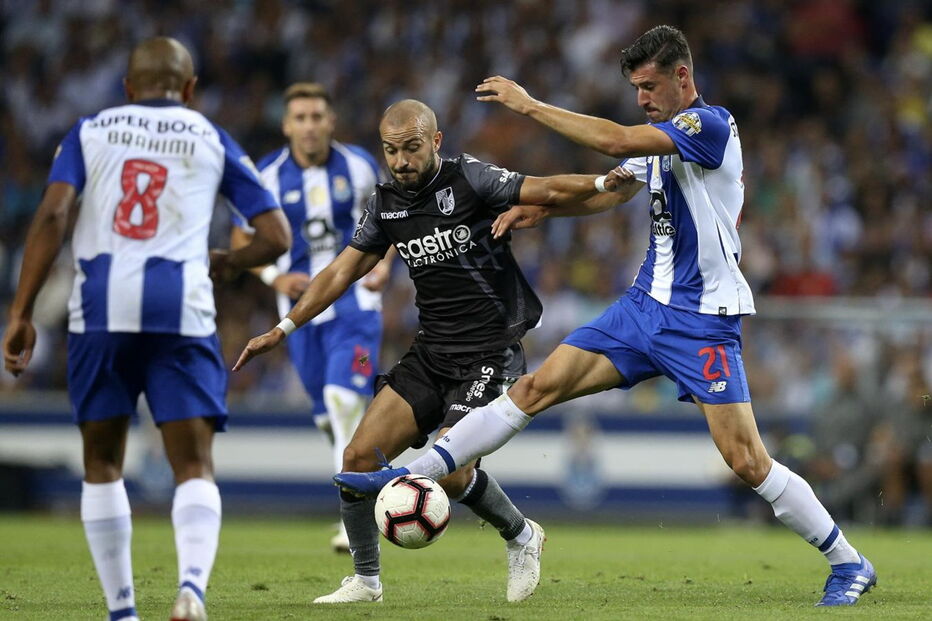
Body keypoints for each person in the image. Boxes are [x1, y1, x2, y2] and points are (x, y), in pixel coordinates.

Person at [334, 25, 877, 607]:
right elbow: (610, 190)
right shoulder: (664, 140)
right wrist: (537, 209)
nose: (642, 99)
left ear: (682, 77)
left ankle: (848, 562)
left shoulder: (709, 125)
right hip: (642, 308)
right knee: (537, 385)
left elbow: (617, 144)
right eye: (636, 89)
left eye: (649, 86)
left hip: (701, 320)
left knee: (746, 461)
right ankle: (410, 474)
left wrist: (531, 105)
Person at [233, 99, 634, 604]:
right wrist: (284, 327)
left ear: (436, 142)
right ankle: (366, 580)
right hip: (431, 354)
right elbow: (339, 271)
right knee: (357, 458)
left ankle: (522, 536)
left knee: (453, 466)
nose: (400, 161)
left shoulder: (471, 180)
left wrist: (601, 184)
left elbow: (547, 189)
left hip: (490, 353)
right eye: (391, 151)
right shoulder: (384, 205)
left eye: (411, 148)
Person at [1, 37, 290, 621]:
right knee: (194, 466)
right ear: (189, 91)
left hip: (100, 307)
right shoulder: (211, 137)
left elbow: (54, 214)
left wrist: (21, 311)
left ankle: (123, 611)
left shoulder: (90, 130)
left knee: (102, 464)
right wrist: (227, 261)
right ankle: (190, 592)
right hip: (179, 309)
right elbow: (277, 237)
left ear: (128, 88)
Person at [231, 82, 391, 553]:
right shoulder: (267, 176)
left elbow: (396, 218)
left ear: (331, 121)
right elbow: (243, 241)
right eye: (300, 117)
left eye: (317, 116)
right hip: (299, 315)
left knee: (347, 395)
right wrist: (273, 278)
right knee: (327, 413)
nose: (309, 126)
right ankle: (368, 479)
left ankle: (356, 510)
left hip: (356, 306)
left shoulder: (360, 166)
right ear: (286, 125)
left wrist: (383, 265)